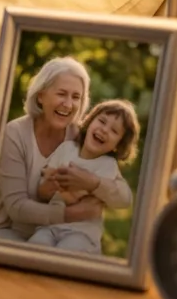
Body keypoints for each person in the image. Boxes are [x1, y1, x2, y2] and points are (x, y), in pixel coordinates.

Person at [0, 57, 133, 242]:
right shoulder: (15, 133)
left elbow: (123, 196)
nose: (68, 104)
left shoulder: (81, 138)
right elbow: (16, 208)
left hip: (56, 234)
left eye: (76, 97)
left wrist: (92, 182)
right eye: (61, 94)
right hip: (7, 230)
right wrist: (72, 214)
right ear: (41, 95)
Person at [29, 99, 139, 254]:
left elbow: (87, 200)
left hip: (82, 234)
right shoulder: (66, 149)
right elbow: (43, 189)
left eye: (114, 131)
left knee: (66, 253)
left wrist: (63, 187)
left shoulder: (107, 165)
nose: (105, 130)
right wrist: (49, 185)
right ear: (89, 123)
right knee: (34, 247)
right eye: (101, 121)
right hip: (50, 227)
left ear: (117, 145)